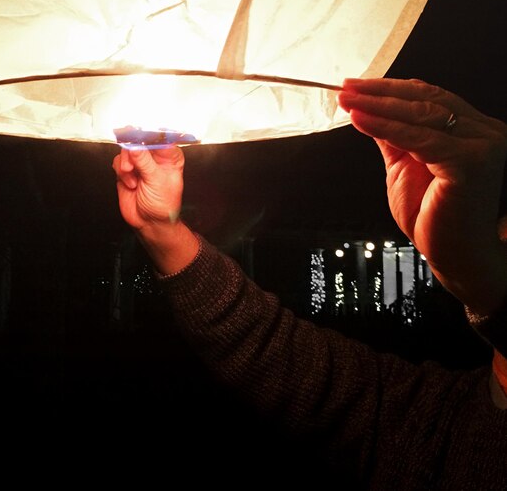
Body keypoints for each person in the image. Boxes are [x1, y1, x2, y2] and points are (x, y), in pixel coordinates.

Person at [112, 77, 507, 488]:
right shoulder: (433, 427)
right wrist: (163, 230)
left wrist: (480, 275)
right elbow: (273, 353)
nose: (500, 235)